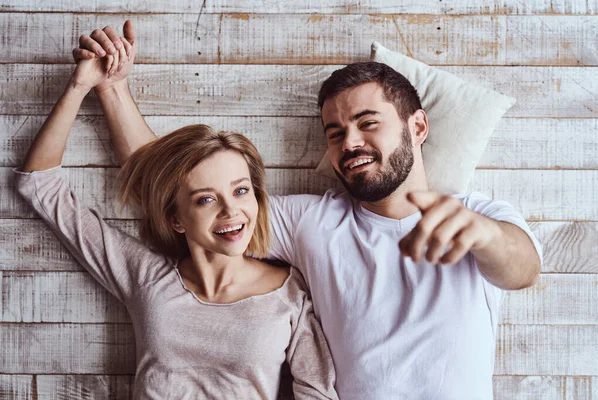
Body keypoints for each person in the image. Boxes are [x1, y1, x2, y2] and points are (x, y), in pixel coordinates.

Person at [76, 21, 543, 399]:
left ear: (418, 126)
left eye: (367, 123)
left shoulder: (477, 215)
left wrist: (483, 235)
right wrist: (112, 90)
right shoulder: (312, 222)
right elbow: (179, 184)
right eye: (335, 133)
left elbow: (522, 267)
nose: (351, 142)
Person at [16, 36, 338, 400]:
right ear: (176, 219)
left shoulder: (290, 293)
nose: (231, 210)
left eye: (240, 190)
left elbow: (319, 393)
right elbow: (38, 186)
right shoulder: (147, 277)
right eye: (205, 199)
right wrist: (81, 85)